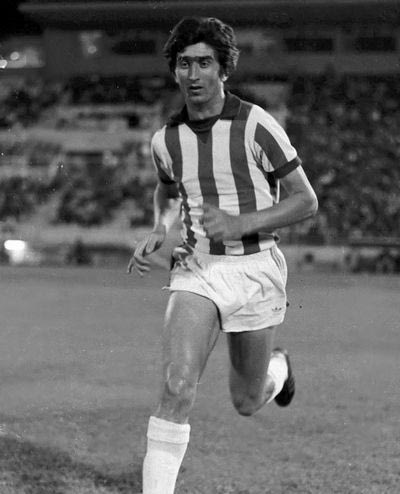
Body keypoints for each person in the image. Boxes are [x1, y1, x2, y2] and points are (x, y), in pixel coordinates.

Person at [127, 16, 318, 494]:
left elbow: (305, 200)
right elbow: (167, 190)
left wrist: (239, 224)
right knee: (176, 387)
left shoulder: (256, 124)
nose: (193, 74)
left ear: (223, 69)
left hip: (256, 271)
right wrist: (160, 228)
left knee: (247, 400)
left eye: (204, 63)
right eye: (184, 63)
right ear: (174, 69)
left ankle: (278, 369)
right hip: (198, 268)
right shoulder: (166, 139)